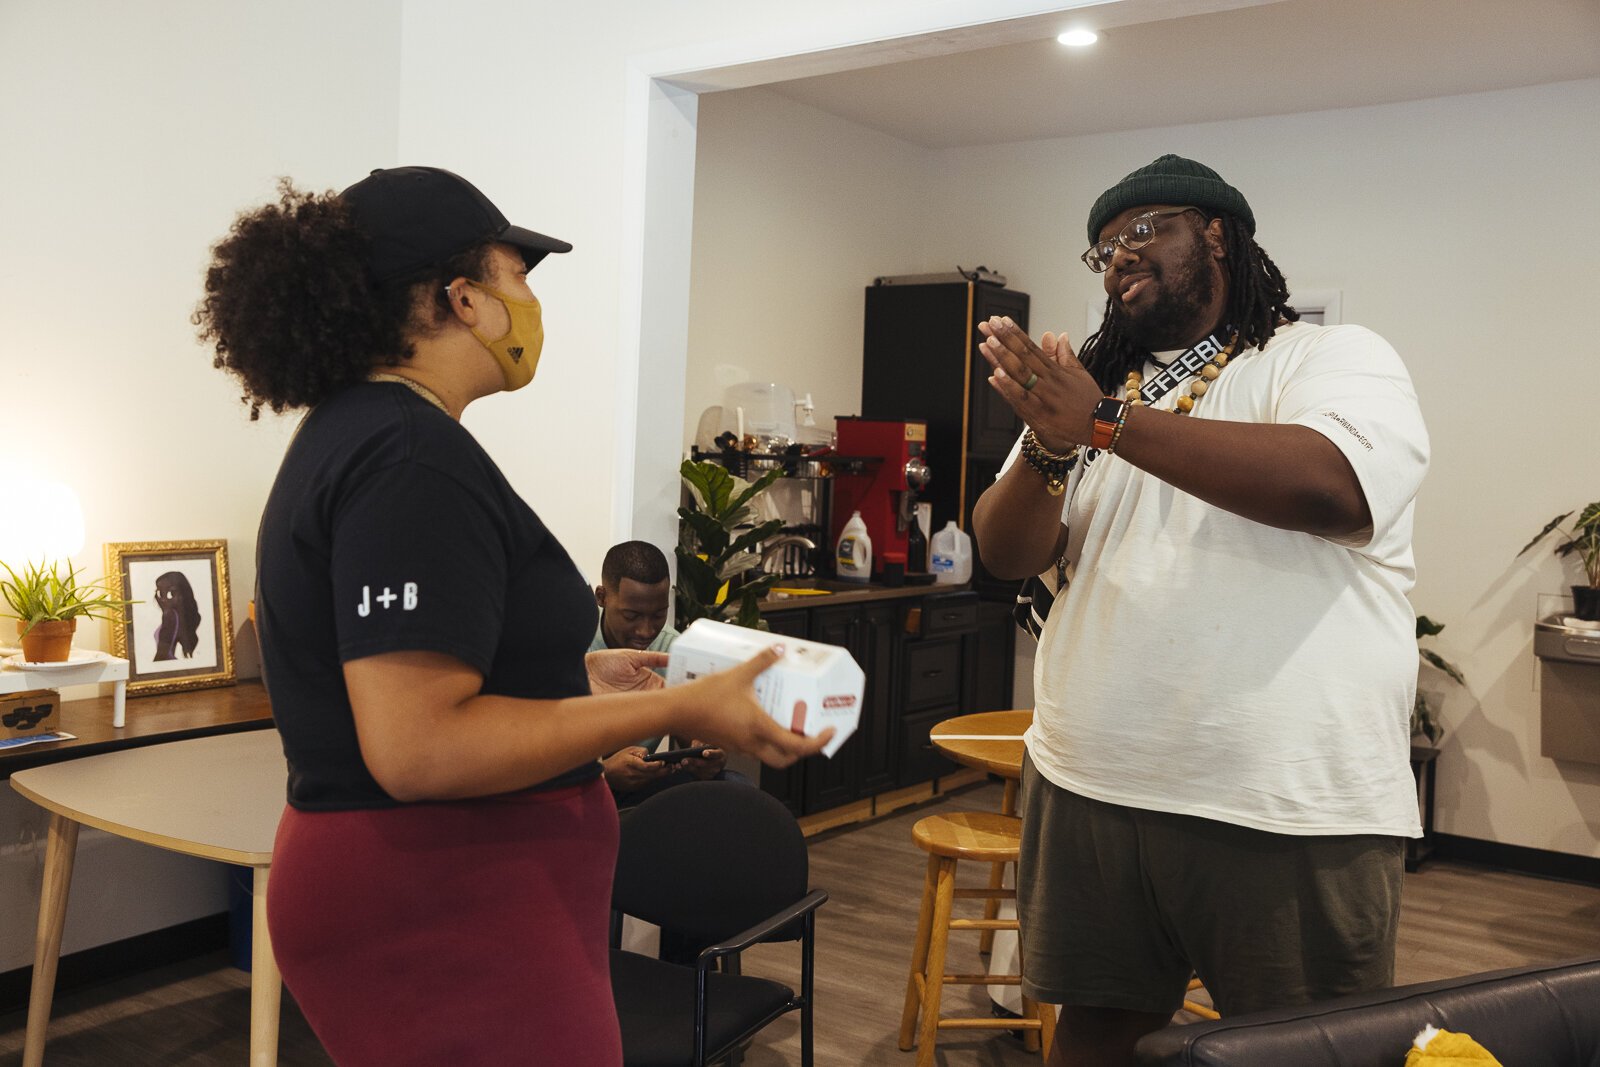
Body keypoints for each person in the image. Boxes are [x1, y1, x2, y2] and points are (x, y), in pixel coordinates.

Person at [194, 165, 829, 1066]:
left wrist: (575, 677)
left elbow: (413, 678)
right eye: (517, 275)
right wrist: (676, 707)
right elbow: (417, 746)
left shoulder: (373, 434)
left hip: (456, 891)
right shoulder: (406, 457)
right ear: (463, 298)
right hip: (441, 899)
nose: (530, 301)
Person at [970, 154, 1429, 1065]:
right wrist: (1055, 444)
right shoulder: (1096, 391)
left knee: (1307, 1047)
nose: (1117, 259)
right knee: (1096, 1029)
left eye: (1142, 232)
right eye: (1101, 248)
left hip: (1283, 797)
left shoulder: (1327, 357)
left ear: (1216, 234)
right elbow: (1005, 550)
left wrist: (1099, 422)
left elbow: (1333, 487)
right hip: (1090, 782)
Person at [587, 540, 734, 804]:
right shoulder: (571, 647)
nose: (645, 631)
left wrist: (705, 755)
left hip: (643, 787)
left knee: (734, 787)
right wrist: (602, 773)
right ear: (602, 597)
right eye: (631, 616)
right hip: (582, 790)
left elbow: (690, 734)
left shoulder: (673, 650)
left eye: (658, 615)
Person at [152, 571, 200, 660]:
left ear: (183, 595)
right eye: (160, 594)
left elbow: (161, 656)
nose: (164, 600)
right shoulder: (174, 617)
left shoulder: (170, 616)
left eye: (171, 593)